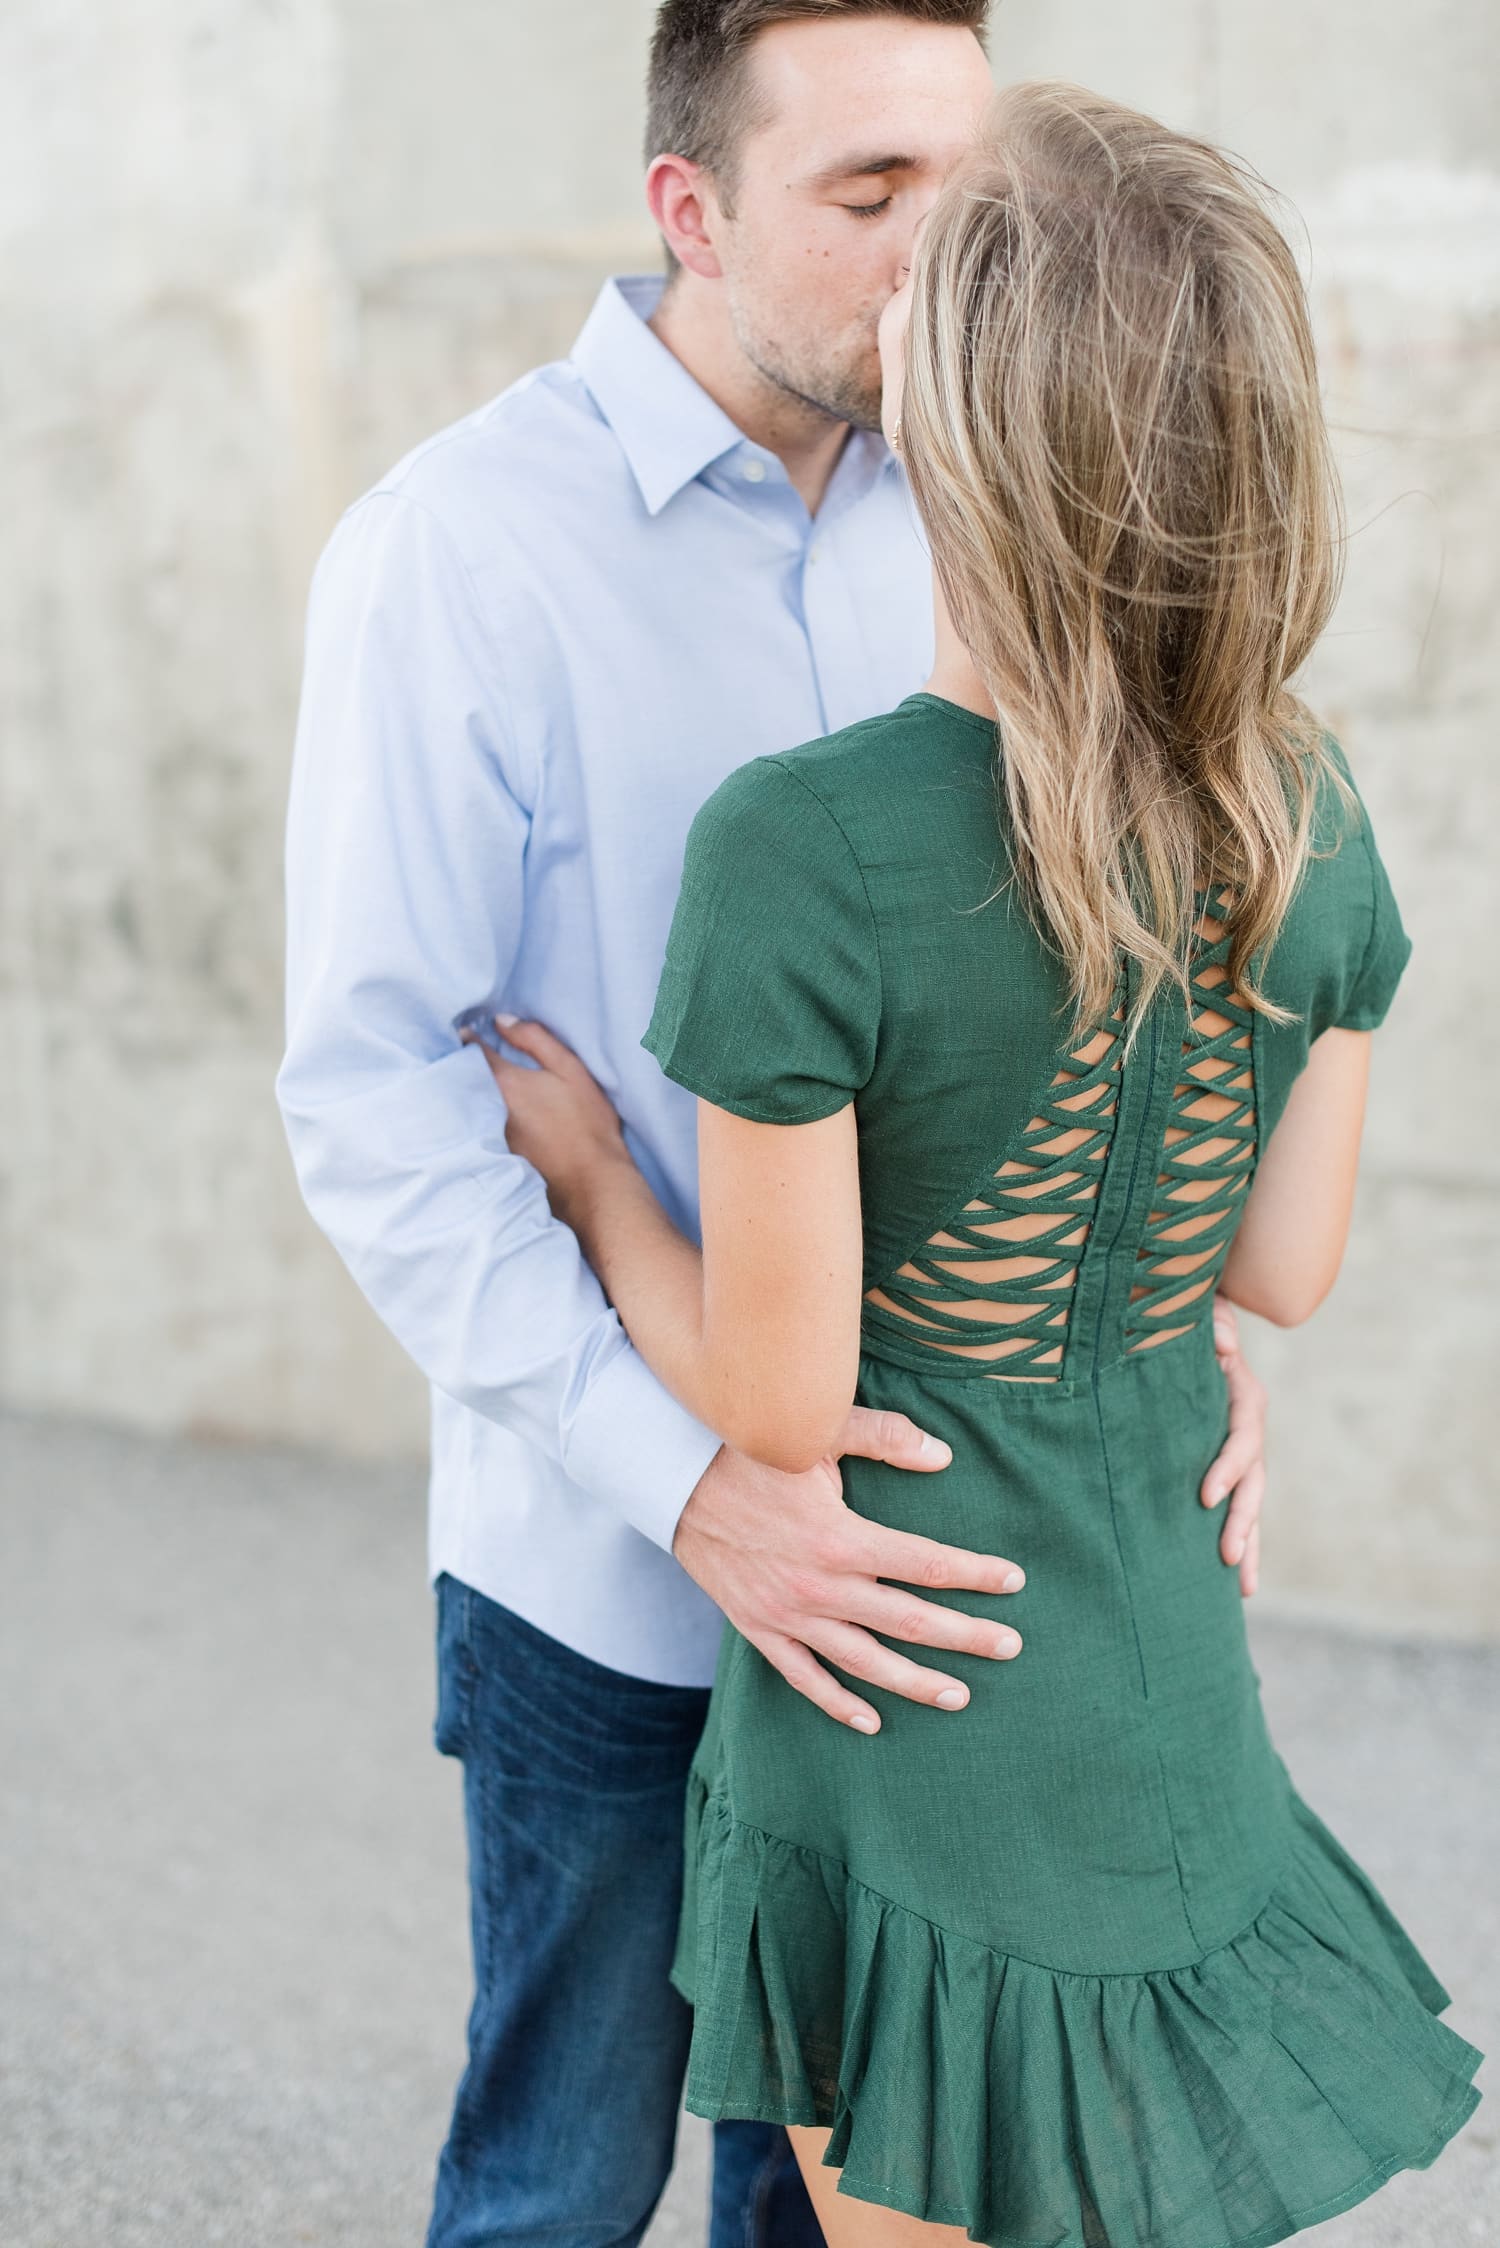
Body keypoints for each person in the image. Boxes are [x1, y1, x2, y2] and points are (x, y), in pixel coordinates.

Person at [276, 8, 1269, 2243]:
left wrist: (1167, 1322)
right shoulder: (456, 551)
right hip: (613, 1575)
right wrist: (691, 1482)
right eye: (868, 198)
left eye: (970, 190)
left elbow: (1101, 990)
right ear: (687, 211)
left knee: (842, 2203)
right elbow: (378, 1099)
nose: (944, 267)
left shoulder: (1015, 517)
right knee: (557, 2177)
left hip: (945, 1587)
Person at [470, 77, 1484, 2248]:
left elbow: (776, 1393)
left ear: (958, 410)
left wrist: (589, 1179)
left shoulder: (805, 843)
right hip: (1165, 1698)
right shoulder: (1309, 803)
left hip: (908, 1726)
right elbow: (1280, 1271)